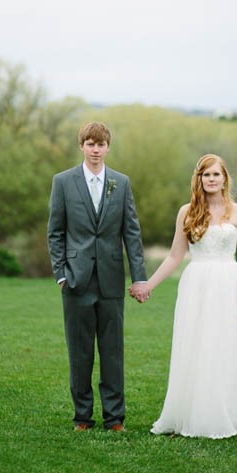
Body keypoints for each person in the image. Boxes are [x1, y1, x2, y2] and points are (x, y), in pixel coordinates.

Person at [131, 153, 237, 438]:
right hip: (197, 286)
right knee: (200, 347)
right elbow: (174, 256)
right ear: (199, 179)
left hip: (230, 284)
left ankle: (234, 410)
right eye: (205, 174)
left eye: (215, 174)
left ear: (224, 178)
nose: (210, 179)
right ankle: (200, 412)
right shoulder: (187, 211)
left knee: (230, 346)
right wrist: (148, 285)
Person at [48, 121, 148, 432]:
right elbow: (55, 232)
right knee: (79, 352)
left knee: (112, 352)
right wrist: (62, 274)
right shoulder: (63, 182)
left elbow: (131, 233)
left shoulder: (121, 182)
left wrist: (140, 277)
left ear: (107, 147)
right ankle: (82, 417)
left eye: (101, 144)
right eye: (90, 143)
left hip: (111, 281)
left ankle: (114, 417)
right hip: (76, 281)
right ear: (81, 146)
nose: (95, 149)